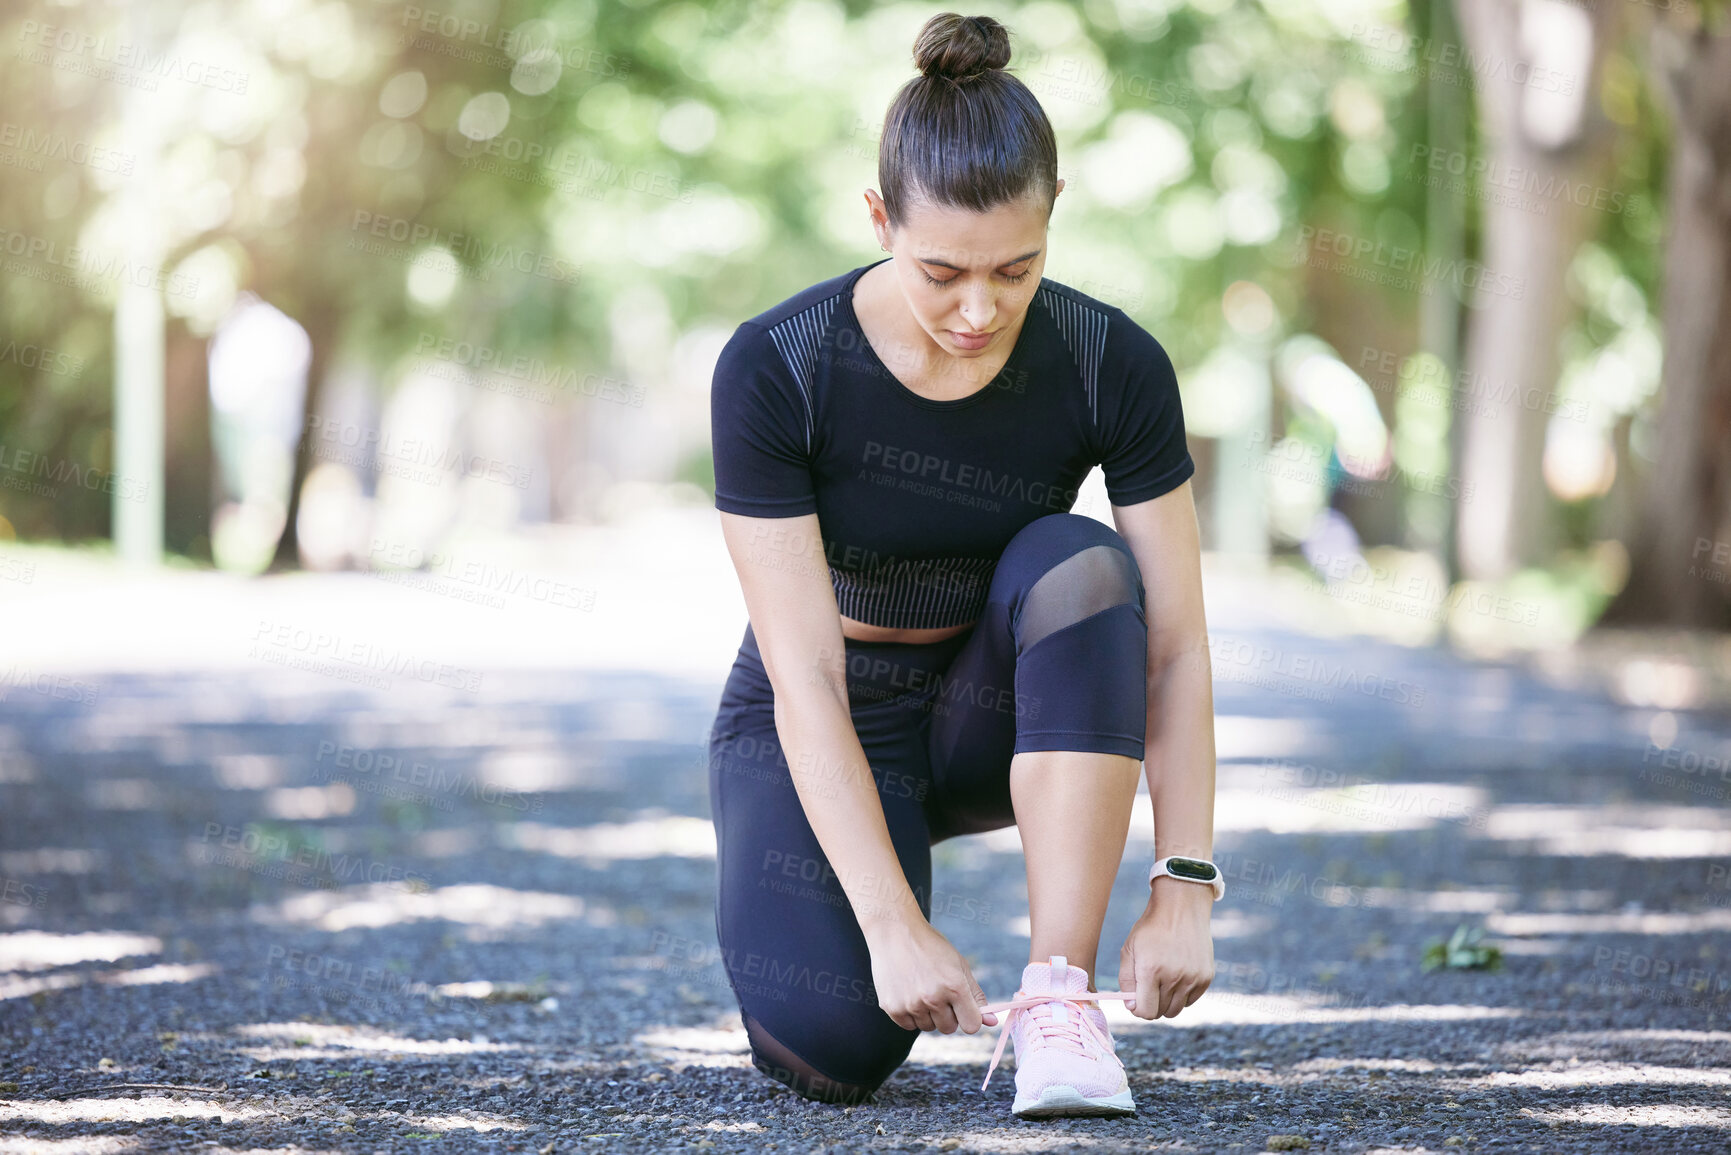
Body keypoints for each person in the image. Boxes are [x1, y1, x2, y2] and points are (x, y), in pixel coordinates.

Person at [705, 11, 1219, 1119]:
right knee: (836, 1052)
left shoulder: (1107, 360)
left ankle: (1058, 1000)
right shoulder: (777, 366)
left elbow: (1173, 644)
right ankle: (854, 899)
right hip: (828, 713)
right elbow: (805, 679)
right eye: (942, 271)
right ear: (879, 218)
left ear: (1053, 223)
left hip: (997, 708)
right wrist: (893, 927)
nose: (979, 310)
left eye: (1017, 270)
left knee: (1083, 561)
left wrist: (1184, 882)